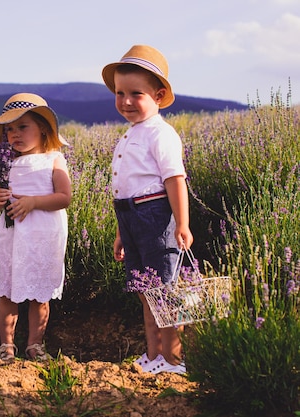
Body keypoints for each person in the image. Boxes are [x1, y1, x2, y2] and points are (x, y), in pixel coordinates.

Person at [101, 45, 194, 374]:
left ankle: (173, 360)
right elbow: (124, 190)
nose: (125, 101)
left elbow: (174, 180)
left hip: (155, 218)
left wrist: (182, 223)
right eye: (120, 93)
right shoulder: (129, 135)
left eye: (135, 94)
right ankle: (154, 356)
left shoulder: (161, 134)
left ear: (158, 95)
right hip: (130, 218)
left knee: (165, 291)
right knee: (144, 292)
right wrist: (120, 234)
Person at [0, 93, 72, 361]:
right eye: (9, 129)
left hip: (43, 234)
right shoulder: (5, 163)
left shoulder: (53, 159)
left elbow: (64, 198)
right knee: (8, 290)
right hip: (13, 236)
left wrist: (33, 202)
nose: (14, 134)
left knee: (39, 293)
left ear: (43, 129)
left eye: (22, 127)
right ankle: (6, 345)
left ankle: (35, 343)